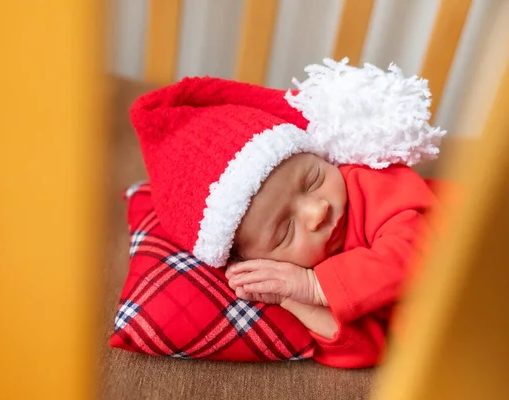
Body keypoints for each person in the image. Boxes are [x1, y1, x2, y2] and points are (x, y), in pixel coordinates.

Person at [129, 59, 446, 368]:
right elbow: (364, 349)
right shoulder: (304, 275)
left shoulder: (370, 182)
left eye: (313, 180)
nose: (317, 211)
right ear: (260, 261)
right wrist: (290, 299)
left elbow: (418, 254)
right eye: (285, 231)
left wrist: (313, 286)